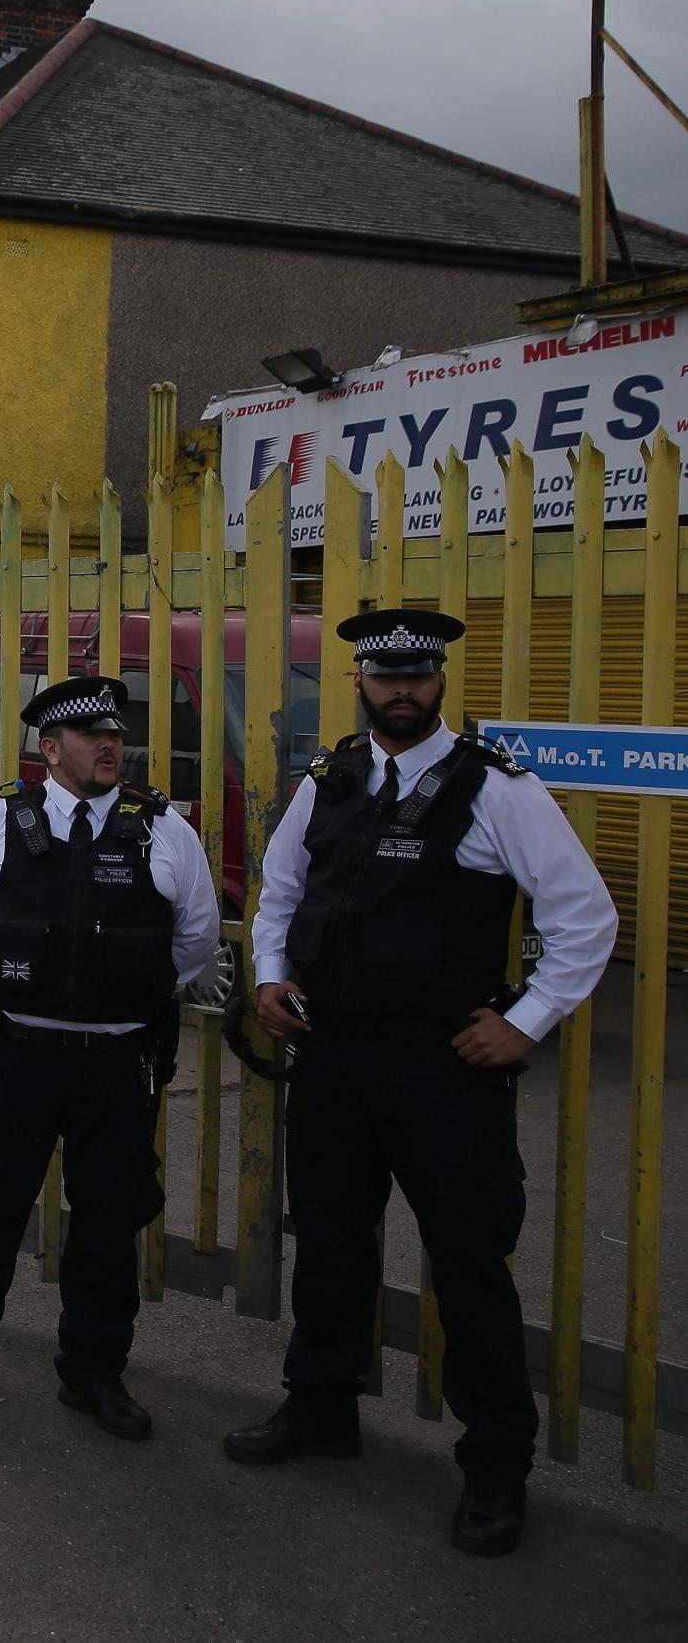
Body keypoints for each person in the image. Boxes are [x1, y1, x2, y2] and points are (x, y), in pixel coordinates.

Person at [230, 607, 615, 1558]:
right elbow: (281, 891)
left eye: (419, 675)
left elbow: (585, 916)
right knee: (328, 1241)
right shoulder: (331, 780)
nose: (401, 689)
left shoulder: (496, 789)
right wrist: (271, 976)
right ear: (359, 680)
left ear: (440, 682)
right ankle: (322, 1406)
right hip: (335, 1058)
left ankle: (496, 1464)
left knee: (470, 1263)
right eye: (384, 675)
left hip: (444, 1069)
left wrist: (522, 1021)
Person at [0, 673, 221, 1440]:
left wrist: (117, 997)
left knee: (108, 1223)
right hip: (20, 1058)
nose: (111, 745)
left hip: (117, 1066)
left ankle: (94, 1374)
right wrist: (37, 996)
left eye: (115, 733)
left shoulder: (164, 831)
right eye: (90, 735)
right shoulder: (0, 823)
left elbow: (197, 939)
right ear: (51, 748)